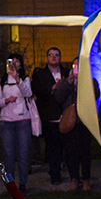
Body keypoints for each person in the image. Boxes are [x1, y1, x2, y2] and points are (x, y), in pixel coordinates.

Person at [0, 54, 33, 191]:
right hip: (7, 121)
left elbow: (28, 93)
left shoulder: (24, 79)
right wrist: (6, 101)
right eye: (11, 62)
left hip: (23, 120)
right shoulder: (2, 81)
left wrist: (17, 78)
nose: (14, 65)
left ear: (21, 65)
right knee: (8, 154)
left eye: (17, 62)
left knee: (23, 153)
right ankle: (10, 184)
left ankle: (23, 184)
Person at [53, 57, 92, 191]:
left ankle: (86, 180)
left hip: (84, 121)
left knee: (85, 152)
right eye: (74, 65)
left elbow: (95, 94)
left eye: (79, 65)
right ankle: (74, 179)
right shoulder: (66, 82)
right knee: (71, 152)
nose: (76, 68)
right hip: (70, 121)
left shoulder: (89, 80)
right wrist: (68, 84)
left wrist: (83, 82)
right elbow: (58, 98)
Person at [31, 47, 65, 185]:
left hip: (66, 114)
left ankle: (73, 174)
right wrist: (52, 88)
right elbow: (37, 90)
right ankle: (55, 174)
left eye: (56, 55)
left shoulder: (67, 72)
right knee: (52, 146)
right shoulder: (41, 74)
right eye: (51, 55)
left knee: (67, 146)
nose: (54, 57)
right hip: (49, 116)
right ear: (47, 58)